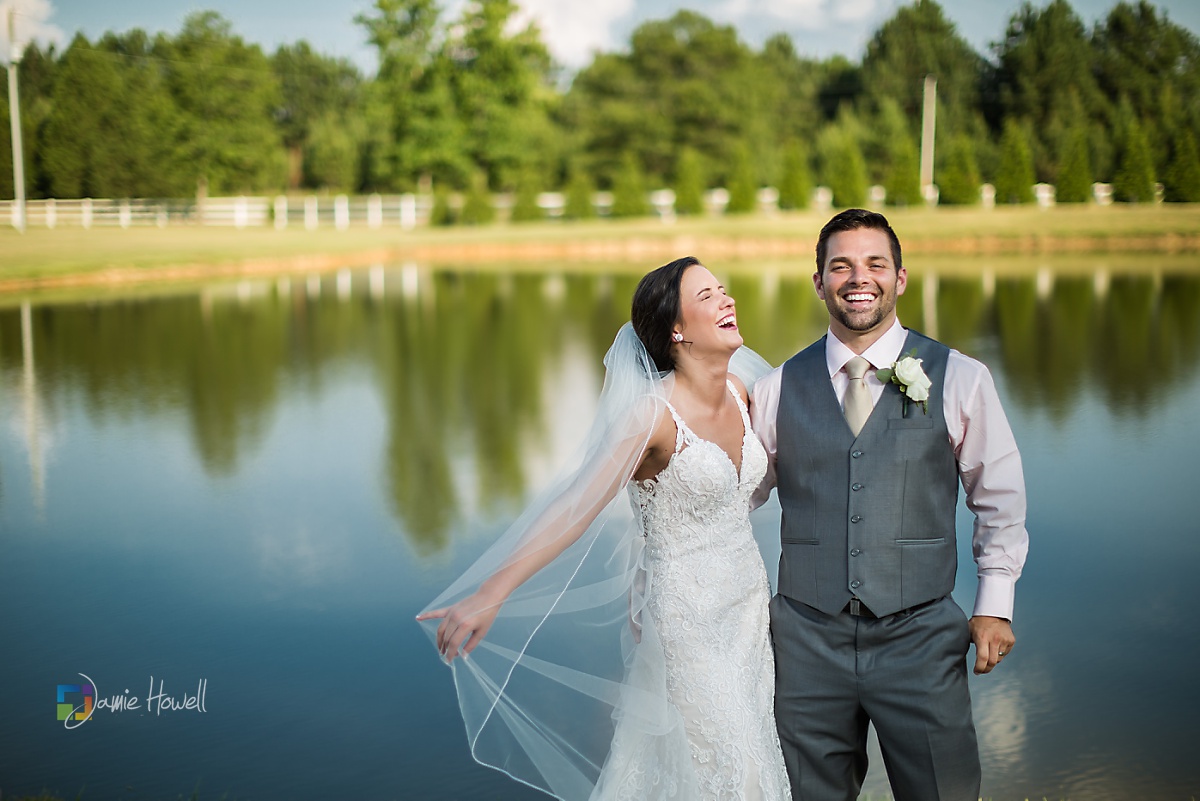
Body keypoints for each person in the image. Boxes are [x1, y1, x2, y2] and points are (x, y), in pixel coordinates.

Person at [418, 257, 791, 800]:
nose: (726, 300)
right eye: (707, 296)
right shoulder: (650, 417)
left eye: (723, 290)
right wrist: (491, 591)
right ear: (676, 330)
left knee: (752, 747)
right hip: (687, 620)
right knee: (728, 768)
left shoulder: (741, 391)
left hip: (747, 607)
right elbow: (576, 505)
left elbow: (753, 487)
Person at [750, 209, 1029, 801]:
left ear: (899, 277)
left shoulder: (961, 377)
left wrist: (995, 605)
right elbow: (735, 500)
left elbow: (998, 500)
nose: (859, 278)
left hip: (921, 634)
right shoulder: (775, 389)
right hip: (804, 641)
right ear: (819, 281)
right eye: (841, 266)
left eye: (875, 264)